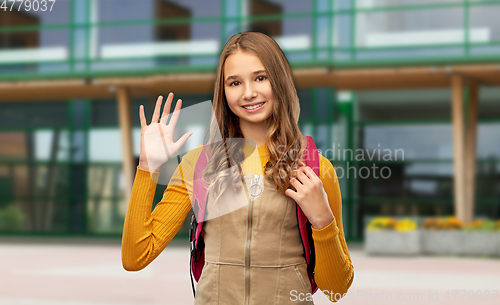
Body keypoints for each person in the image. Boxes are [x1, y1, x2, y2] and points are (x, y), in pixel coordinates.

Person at [121, 31, 354, 304]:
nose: (248, 93)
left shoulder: (315, 168)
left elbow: (336, 289)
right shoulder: (198, 164)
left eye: (260, 77)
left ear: (279, 81)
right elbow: (135, 257)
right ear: (224, 92)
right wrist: (148, 168)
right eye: (234, 83)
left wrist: (323, 221)